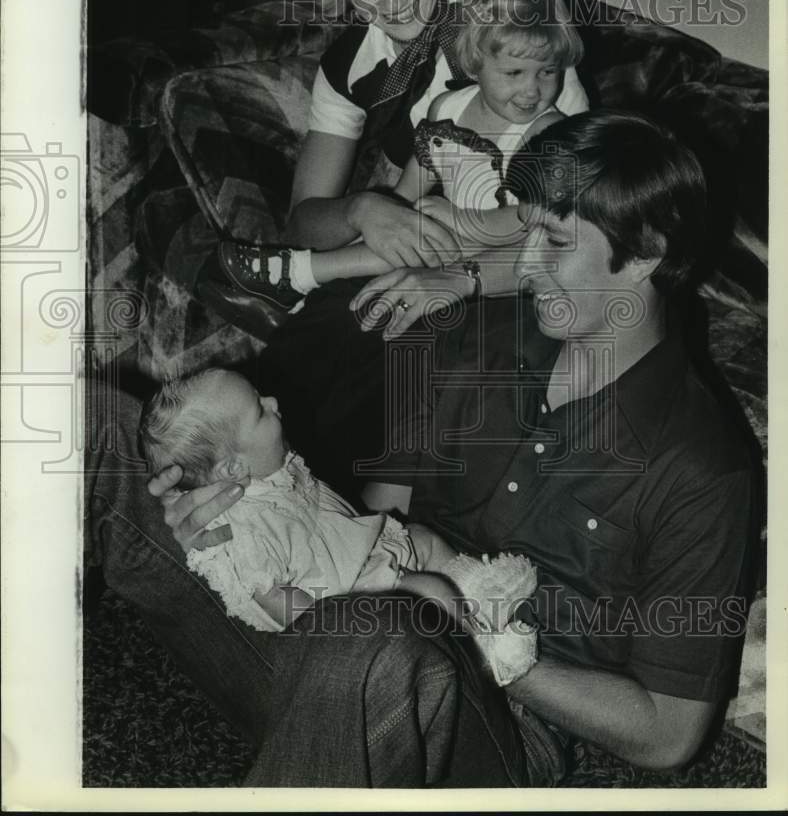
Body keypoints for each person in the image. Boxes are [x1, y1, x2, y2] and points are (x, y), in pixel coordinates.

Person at [127, 108, 756, 784]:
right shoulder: (474, 334)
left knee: (380, 638)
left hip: (486, 722)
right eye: (527, 231)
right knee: (106, 431)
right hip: (324, 629)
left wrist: (487, 647)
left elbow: (668, 734)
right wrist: (233, 513)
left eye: (555, 242)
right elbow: (378, 513)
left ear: (645, 256)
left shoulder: (705, 471)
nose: (525, 263)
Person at [137, 367, 539, 687]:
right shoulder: (243, 533)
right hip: (347, 600)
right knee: (430, 590)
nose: (273, 400)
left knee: (425, 540)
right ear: (231, 468)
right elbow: (279, 601)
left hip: (368, 552)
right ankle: (483, 654)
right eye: (260, 410)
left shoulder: (269, 467)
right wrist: (342, 626)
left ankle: (486, 591)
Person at [217, 0, 584, 312]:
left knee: (426, 241)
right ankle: (304, 287)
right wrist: (397, 217)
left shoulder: (547, 133)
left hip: (511, 258)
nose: (532, 90)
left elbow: (533, 217)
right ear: (474, 63)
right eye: (514, 72)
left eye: (548, 71)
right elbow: (412, 184)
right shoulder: (446, 107)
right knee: (408, 237)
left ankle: (300, 274)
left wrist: (462, 219)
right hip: (449, 244)